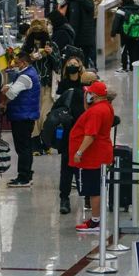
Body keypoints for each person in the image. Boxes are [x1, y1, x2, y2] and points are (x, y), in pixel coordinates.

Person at [69, 81, 115, 232]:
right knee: (97, 188)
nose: (86, 94)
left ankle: (95, 222)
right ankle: (96, 219)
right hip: (100, 153)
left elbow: (90, 135)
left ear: (93, 95)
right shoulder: (105, 107)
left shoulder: (96, 112)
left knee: (94, 190)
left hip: (92, 156)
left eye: (88, 92)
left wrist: (79, 152)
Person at [2, 50, 41, 187]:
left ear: (24, 62)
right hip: (25, 115)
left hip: (22, 116)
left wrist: (3, 103)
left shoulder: (26, 76)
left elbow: (12, 93)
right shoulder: (28, 73)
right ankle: (26, 174)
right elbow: (15, 86)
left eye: (17, 63)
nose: (15, 65)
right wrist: (9, 86)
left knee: (22, 148)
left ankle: (23, 177)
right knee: (26, 147)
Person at [54, 56, 87, 214]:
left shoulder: (86, 84)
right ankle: (64, 198)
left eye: (76, 63)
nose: (73, 66)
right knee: (67, 166)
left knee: (87, 165)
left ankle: (88, 195)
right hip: (67, 130)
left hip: (84, 131)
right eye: (70, 64)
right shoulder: (63, 85)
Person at [22, 19, 60, 154]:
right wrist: (30, 58)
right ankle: (35, 145)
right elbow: (19, 64)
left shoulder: (52, 45)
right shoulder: (26, 47)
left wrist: (51, 54)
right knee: (34, 115)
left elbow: (58, 66)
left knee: (45, 115)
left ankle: (46, 143)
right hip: (31, 87)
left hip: (47, 86)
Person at [64, 0, 96, 66]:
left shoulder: (75, 2)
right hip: (88, 37)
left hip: (79, 39)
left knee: (79, 64)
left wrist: (71, 39)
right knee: (85, 62)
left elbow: (74, 23)